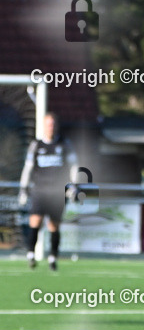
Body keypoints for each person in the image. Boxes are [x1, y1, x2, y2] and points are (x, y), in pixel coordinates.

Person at [18, 112, 77, 271]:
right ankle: (31, 254)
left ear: (56, 126)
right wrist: (23, 189)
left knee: (54, 226)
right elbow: (28, 168)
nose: (51, 127)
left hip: (57, 192)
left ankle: (52, 257)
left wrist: (73, 186)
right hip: (39, 191)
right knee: (35, 222)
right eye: (48, 124)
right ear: (44, 126)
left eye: (53, 124)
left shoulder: (65, 144)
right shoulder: (36, 145)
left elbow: (74, 167)